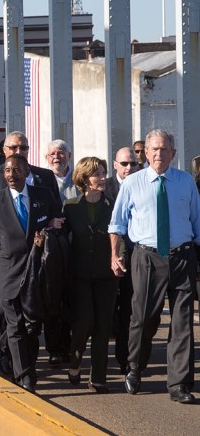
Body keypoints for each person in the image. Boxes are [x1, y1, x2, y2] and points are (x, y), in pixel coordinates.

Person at [109, 129, 200, 404]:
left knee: (183, 323)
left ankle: (179, 384)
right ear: (145, 153)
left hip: (182, 256)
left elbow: (197, 222)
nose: (159, 154)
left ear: (173, 153)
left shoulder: (186, 182)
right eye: (154, 149)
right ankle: (135, 368)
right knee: (144, 319)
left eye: (164, 149)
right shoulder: (132, 183)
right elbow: (117, 224)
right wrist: (115, 255)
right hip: (146, 257)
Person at [0, 154, 61, 393]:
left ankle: (29, 365)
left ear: (27, 171)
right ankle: (25, 376)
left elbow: (58, 223)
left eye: (16, 170)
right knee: (15, 325)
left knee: (32, 326)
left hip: (38, 272)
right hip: (9, 272)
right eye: (7, 171)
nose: (11, 175)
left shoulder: (43, 195)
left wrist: (48, 233)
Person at [64, 156, 118, 393]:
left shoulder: (113, 205)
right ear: (84, 179)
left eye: (104, 173)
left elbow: (120, 235)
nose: (103, 178)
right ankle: (75, 361)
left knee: (103, 327)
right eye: (97, 174)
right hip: (80, 275)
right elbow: (63, 241)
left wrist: (120, 257)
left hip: (107, 275)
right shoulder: (71, 207)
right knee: (84, 322)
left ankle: (98, 377)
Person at [106, 145, 140, 375]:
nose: (129, 168)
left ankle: (125, 358)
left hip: (136, 256)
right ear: (115, 165)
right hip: (108, 256)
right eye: (124, 164)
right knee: (108, 310)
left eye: (133, 163)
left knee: (130, 308)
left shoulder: (143, 184)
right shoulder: (105, 186)